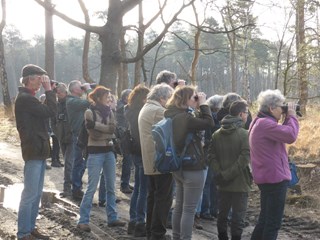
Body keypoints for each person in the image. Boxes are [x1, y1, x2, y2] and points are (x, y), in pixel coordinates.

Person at [163, 86, 214, 240]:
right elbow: (209, 123)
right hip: (192, 167)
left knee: (179, 206)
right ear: (185, 99)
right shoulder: (185, 118)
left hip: (178, 166)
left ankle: (177, 237)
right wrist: (204, 104)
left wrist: (197, 106)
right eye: (194, 97)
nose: (196, 100)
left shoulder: (172, 114)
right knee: (189, 209)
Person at [249, 89, 299, 240]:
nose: (282, 109)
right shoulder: (265, 124)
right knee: (272, 223)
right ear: (271, 108)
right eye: (280, 106)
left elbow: (281, 133)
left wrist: (286, 116)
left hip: (266, 177)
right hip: (274, 179)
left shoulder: (258, 121)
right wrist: (291, 115)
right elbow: (290, 135)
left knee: (264, 220)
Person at [15, 64, 57, 240]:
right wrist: (49, 91)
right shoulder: (25, 98)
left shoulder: (29, 98)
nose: (41, 82)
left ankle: (30, 228)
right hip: (33, 150)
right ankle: (23, 233)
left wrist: (49, 92)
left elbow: (44, 113)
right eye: (39, 79)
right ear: (29, 79)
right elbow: (51, 112)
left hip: (37, 150)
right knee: (30, 193)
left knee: (36, 193)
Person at [77, 86, 126, 232]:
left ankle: (112, 218)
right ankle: (83, 220)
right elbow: (94, 135)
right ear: (98, 97)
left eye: (110, 96)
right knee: (91, 188)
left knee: (111, 187)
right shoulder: (89, 112)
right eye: (107, 96)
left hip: (109, 153)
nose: (109, 98)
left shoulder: (110, 111)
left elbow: (112, 130)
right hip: (95, 153)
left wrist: (98, 126)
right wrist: (105, 132)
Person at [208, 100, 252, 240]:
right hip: (240, 183)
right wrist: (227, 174)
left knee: (222, 214)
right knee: (238, 218)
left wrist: (220, 173)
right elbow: (244, 160)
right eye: (246, 112)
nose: (247, 115)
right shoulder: (244, 134)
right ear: (240, 114)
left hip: (222, 183)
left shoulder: (216, 134)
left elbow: (210, 156)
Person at [138, 83, 174, 240]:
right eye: (169, 99)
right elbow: (176, 123)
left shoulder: (147, 107)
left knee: (153, 196)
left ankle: (151, 232)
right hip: (160, 162)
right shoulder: (157, 110)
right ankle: (158, 233)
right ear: (162, 98)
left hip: (151, 161)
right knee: (163, 199)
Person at [125, 85, 150, 237]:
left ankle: (133, 220)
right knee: (143, 190)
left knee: (138, 188)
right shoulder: (142, 112)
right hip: (143, 152)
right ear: (143, 98)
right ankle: (140, 222)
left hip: (135, 151)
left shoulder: (129, 110)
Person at [66, 80, 92, 200]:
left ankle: (77, 187)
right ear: (73, 89)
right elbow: (91, 101)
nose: (81, 88)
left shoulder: (76, 101)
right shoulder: (71, 101)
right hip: (78, 136)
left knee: (82, 163)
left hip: (82, 135)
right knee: (78, 163)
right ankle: (76, 189)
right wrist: (88, 89)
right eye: (80, 86)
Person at [200, 95, 224, 220]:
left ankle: (209, 209)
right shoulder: (214, 119)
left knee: (210, 183)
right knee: (209, 183)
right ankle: (206, 210)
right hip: (209, 154)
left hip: (208, 153)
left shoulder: (210, 116)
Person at [51, 83, 74, 197]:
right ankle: (72, 186)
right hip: (61, 137)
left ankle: (68, 187)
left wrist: (73, 133)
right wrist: (57, 133)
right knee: (68, 162)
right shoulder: (56, 105)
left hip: (72, 137)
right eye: (57, 93)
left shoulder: (71, 103)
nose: (58, 95)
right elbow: (53, 121)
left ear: (65, 92)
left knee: (69, 162)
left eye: (60, 93)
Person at [117, 89, 134, 194]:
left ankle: (126, 182)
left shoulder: (123, 106)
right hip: (123, 137)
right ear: (125, 98)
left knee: (129, 161)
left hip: (126, 136)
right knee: (127, 161)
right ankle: (124, 185)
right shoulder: (121, 107)